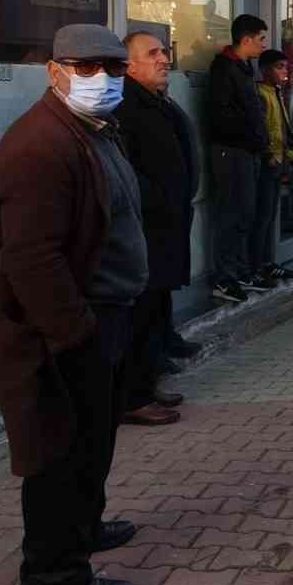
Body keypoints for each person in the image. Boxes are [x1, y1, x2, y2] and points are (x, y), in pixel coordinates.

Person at [0, 24, 148, 585]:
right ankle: (56, 576)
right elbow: (30, 260)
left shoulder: (95, 130)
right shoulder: (40, 146)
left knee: (92, 442)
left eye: (114, 68)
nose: (102, 80)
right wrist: (75, 335)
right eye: (86, 69)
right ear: (54, 72)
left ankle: (84, 528)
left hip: (106, 315)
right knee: (58, 456)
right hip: (65, 333)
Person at [114, 32, 196, 428]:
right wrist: (160, 199)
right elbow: (127, 172)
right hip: (146, 231)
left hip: (166, 228)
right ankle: (133, 396)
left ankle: (148, 383)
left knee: (157, 311)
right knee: (141, 316)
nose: (164, 58)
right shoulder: (124, 106)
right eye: (153, 53)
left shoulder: (155, 100)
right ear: (129, 65)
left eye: (164, 51)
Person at [207, 13, 270, 304]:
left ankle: (241, 271)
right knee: (231, 214)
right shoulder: (224, 69)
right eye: (260, 39)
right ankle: (224, 278)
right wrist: (249, 137)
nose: (263, 45)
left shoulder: (244, 68)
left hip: (248, 151)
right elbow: (222, 116)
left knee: (246, 213)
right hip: (231, 151)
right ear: (245, 39)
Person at [253, 50, 293, 285]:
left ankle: (268, 262)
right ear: (265, 70)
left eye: (286, 67)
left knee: (271, 215)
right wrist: (269, 155)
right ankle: (258, 266)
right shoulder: (260, 93)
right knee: (262, 216)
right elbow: (263, 129)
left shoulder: (278, 93)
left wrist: (290, 154)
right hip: (267, 163)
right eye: (279, 67)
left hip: (279, 161)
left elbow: (283, 126)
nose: (284, 72)